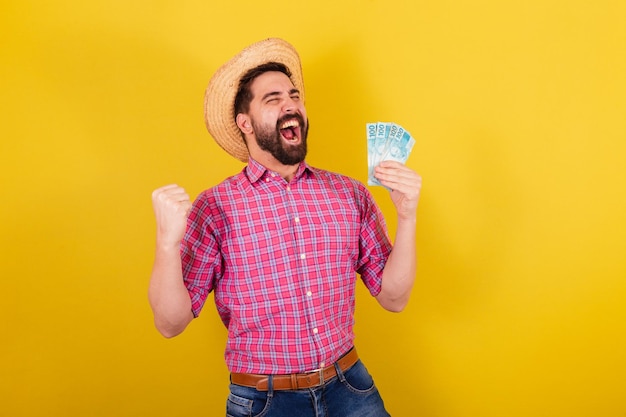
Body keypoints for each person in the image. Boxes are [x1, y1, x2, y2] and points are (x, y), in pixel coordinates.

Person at [148, 38, 422, 417]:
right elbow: (170, 323)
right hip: (265, 403)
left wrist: (406, 215)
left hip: (349, 388)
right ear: (245, 123)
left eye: (294, 96)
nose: (290, 104)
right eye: (273, 99)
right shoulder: (215, 208)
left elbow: (394, 298)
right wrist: (166, 243)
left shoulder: (350, 194)